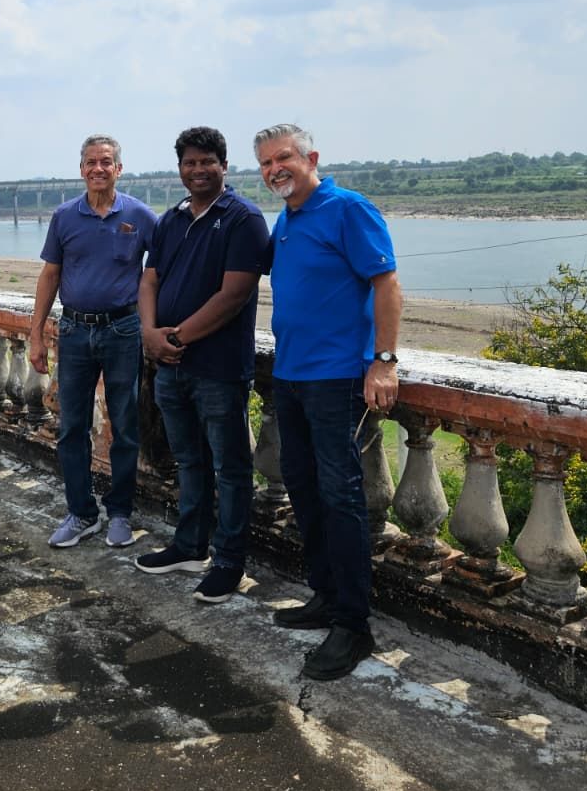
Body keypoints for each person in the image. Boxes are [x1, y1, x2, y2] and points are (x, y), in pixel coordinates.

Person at [255, 123, 403, 681]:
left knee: (341, 498)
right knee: (302, 487)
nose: (275, 170)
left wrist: (383, 361)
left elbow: (386, 284)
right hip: (290, 374)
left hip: (337, 377)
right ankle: (325, 594)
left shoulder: (348, 208)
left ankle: (352, 624)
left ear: (311, 157)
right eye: (266, 163)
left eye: (283, 158)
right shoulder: (287, 219)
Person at [134, 126, 270, 604]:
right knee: (188, 460)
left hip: (218, 367)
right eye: (189, 163)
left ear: (224, 166)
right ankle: (190, 546)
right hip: (171, 367)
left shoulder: (243, 219)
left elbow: (234, 295)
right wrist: (149, 333)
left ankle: (229, 561)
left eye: (207, 162)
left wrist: (175, 338)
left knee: (230, 468)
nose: (198, 170)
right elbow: (149, 280)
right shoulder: (170, 220)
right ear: (179, 169)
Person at [29, 135, 159, 548]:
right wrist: (36, 333)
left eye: (106, 162)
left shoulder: (140, 216)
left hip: (123, 330)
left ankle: (120, 513)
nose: (98, 168)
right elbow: (50, 275)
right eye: (91, 162)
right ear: (81, 169)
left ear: (119, 168)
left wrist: (156, 327)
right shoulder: (65, 216)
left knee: (125, 425)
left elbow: (159, 274)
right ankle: (82, 512)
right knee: (72, 426)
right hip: (74, 330)